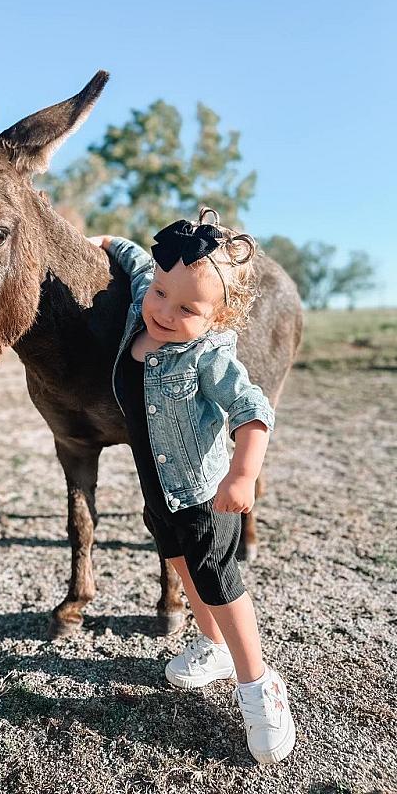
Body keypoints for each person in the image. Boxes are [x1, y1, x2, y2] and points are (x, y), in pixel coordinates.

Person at [89, 208, 296, 765]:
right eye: (162, 294)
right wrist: (103, 241)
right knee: (179, 562)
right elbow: (137, 262)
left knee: (218, 580)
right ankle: (213, 646)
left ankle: (258, 684)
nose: (164, 310)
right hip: (159, 490)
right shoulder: (147, 299)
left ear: (219, 316)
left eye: (187, 309)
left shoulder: (210, 354)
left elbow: (253, 410)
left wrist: (243, 475)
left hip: (206, 496)